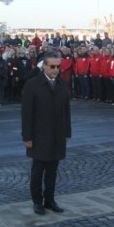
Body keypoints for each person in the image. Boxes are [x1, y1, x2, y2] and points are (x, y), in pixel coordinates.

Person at [21, 51, 71, 215]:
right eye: (52, 66)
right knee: (38, 170)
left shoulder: (63, 85)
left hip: (57, 134)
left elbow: (66, 111)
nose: (56, 70)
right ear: (44, 67)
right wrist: (27, 136)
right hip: (39, 134)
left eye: (58, 67)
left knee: (52, 171)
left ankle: (49, 200)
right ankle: (37, 201)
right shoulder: (32, 85)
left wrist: (67, 133)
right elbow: (27, 113)